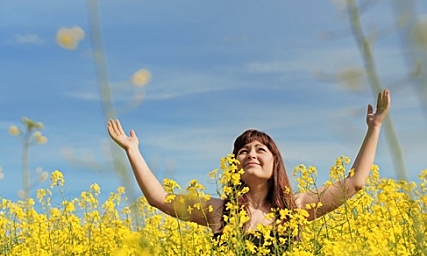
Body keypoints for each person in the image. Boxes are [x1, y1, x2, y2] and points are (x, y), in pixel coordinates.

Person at [107, 89, 391, 236]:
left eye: (260, 150)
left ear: (274, 162)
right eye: (242, 151)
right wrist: (133, 151)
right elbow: (159, 198)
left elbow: (354, 183)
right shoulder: (218, 212)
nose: (250, 154)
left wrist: (374, 128)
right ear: (234, 166)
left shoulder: (296, 209)